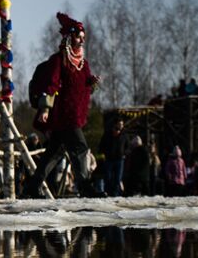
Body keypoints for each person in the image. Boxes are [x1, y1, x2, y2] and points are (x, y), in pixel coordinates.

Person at [23, 12, 99, 198]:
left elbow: (82, 87)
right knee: (80, 148)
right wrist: (45, 108)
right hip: (64, 115)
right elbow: (52, 85)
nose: (81, 41)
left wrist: (91, 82)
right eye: (77, 37)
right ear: (69, 37)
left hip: (75, 115)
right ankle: (85, 187)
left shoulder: (83, 64)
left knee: (54, 154)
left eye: (83, 37)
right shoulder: (58, 61)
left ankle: (33, 187)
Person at [98, 118, 127, 197]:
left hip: (120, 159)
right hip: (109, 159)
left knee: (118, 178)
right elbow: (101, 145)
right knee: (108, 177)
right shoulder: (108, 134)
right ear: (116, 124)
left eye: (122, 125)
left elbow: (127, 146)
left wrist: (124, 154)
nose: (121, 126)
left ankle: (116, 194)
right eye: (119, 124)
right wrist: (103, 154)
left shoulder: (124, 134)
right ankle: (108, 192)